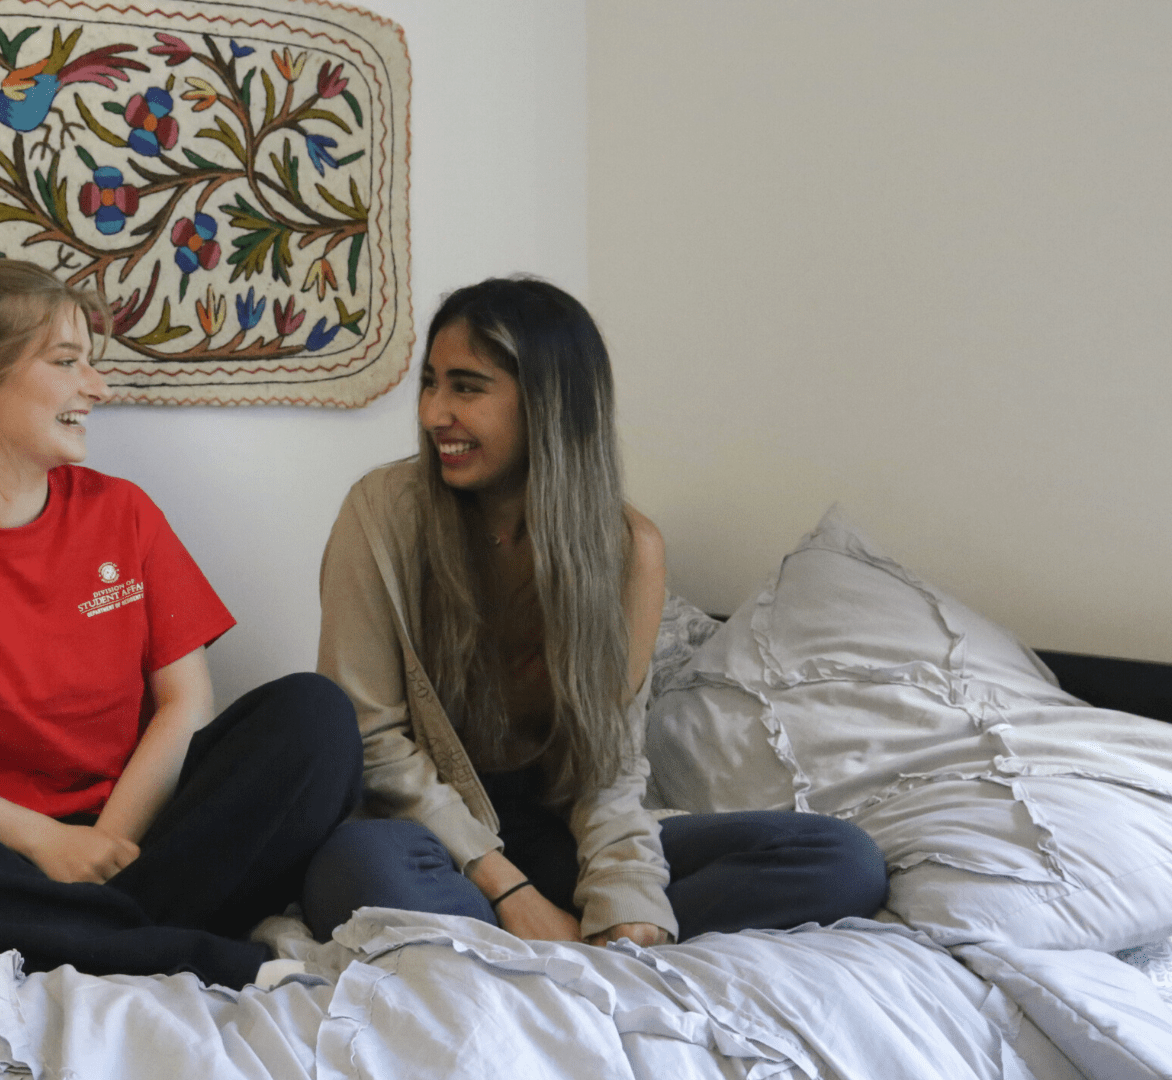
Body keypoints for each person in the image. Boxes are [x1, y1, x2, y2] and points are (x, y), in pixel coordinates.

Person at [0, 259, 360, 990]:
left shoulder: (123, 513)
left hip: (145, 838)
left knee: (316, 716)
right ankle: (163, 950)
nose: (98, 386)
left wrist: (107, 842)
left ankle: (87, 940)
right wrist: (46, 843)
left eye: (92, 364)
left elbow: (186, 702)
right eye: (67, 362)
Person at [305, 277, 887, 947]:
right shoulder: (380, 514)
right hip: (425, 835)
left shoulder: (628, 551)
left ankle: (564, 945)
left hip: (556, 839)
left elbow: (609, 765)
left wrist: (626, 900)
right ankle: (533, 936)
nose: (436, 412)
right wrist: (511, 889)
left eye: (466, 387)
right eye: (431, 384)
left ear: (550, 403)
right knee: (360, 868)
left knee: (840, 860)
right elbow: (372, 739)